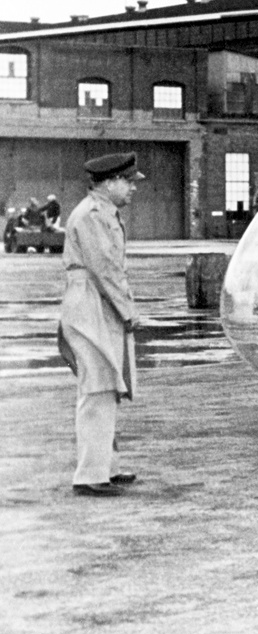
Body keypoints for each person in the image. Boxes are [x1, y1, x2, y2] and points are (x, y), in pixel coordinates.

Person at [57, 152, 145, 497]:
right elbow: (104, 268)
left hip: (98, 302)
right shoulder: (91, 215)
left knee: (106, 385)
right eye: (128, 182)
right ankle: (89, 475)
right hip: (92, 302)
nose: (132, 189)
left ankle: (105, 467)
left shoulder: (104, 212)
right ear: (110, 183)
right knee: (97, 388)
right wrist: (128, 310)